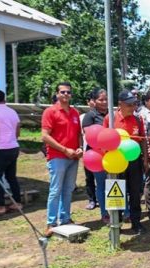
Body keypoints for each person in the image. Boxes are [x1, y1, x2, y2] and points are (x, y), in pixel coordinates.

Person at [103, 90, 149, 234]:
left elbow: (142, 140)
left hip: (134, 161)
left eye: (134, 104)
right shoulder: (110, 119)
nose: (132, 107)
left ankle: (136, 222)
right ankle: (117, 222)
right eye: (129, 104)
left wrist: (145, 159)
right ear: (119, 104)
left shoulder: (137, 119)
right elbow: (103, 139)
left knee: (135, 192)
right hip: (116, 161)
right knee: (117, 192)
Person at [41, 82, 83, 237]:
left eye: (68, 92)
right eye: (63, 92)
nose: (66, 95)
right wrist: (65, 150)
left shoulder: (75, 113)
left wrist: (79, 148)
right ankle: (51, 223)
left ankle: (65, 218)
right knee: (55, 190)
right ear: (57, 94)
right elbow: (45, 136)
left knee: (68, 189)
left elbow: (78, 133)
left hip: (73, 157)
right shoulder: (50, 112)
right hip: (57, 156)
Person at [81, 88, 109, 223]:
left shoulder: (112, 114)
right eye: (101, 99)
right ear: (94, 101)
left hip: (113, 155)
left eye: (106, 99)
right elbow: (90, 136)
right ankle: (104, 213)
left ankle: (119, 211)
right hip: (97, 156)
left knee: (115, 184)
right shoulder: (90, 116)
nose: (104, 102)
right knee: (101, 185)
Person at [0, 90, 22, 215]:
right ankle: (17, 202)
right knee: (11, 177)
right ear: (4, 99)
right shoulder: (12, 111)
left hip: (1, 148)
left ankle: (0, 205)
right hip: (13, 147)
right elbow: (18, 131)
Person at [80, 93, 97, 210]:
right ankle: (92, 200)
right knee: (89, 177)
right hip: (88, 151)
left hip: (101, 152)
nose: (94, 102)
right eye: (92, 100)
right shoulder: (82, 117)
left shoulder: (105, 116)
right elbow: (80, 135)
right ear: (88, 102)